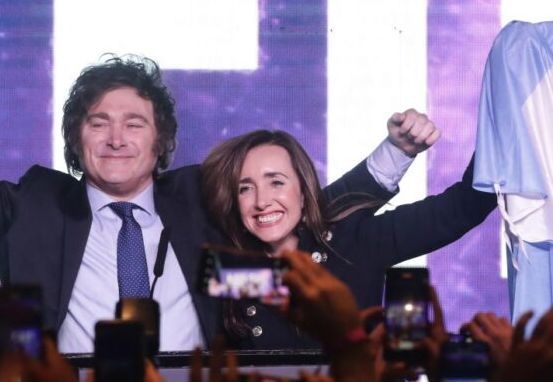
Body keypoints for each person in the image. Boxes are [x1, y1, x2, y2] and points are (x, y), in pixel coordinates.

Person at [0, 15, 431, 353]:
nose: (116, 138)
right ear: (76, 141)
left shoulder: (198, 197)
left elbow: (299, 210)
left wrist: (395, 154)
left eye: (134, 124)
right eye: (98, 123)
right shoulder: (32, 206)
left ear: (160, 140)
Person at [200, 129, 497, 349]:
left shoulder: (352, 244)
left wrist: (504, 117)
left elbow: (463, 208)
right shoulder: (226, 270)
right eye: (245, 188)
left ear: (304, 190)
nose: (262, 201)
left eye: (276, 182)